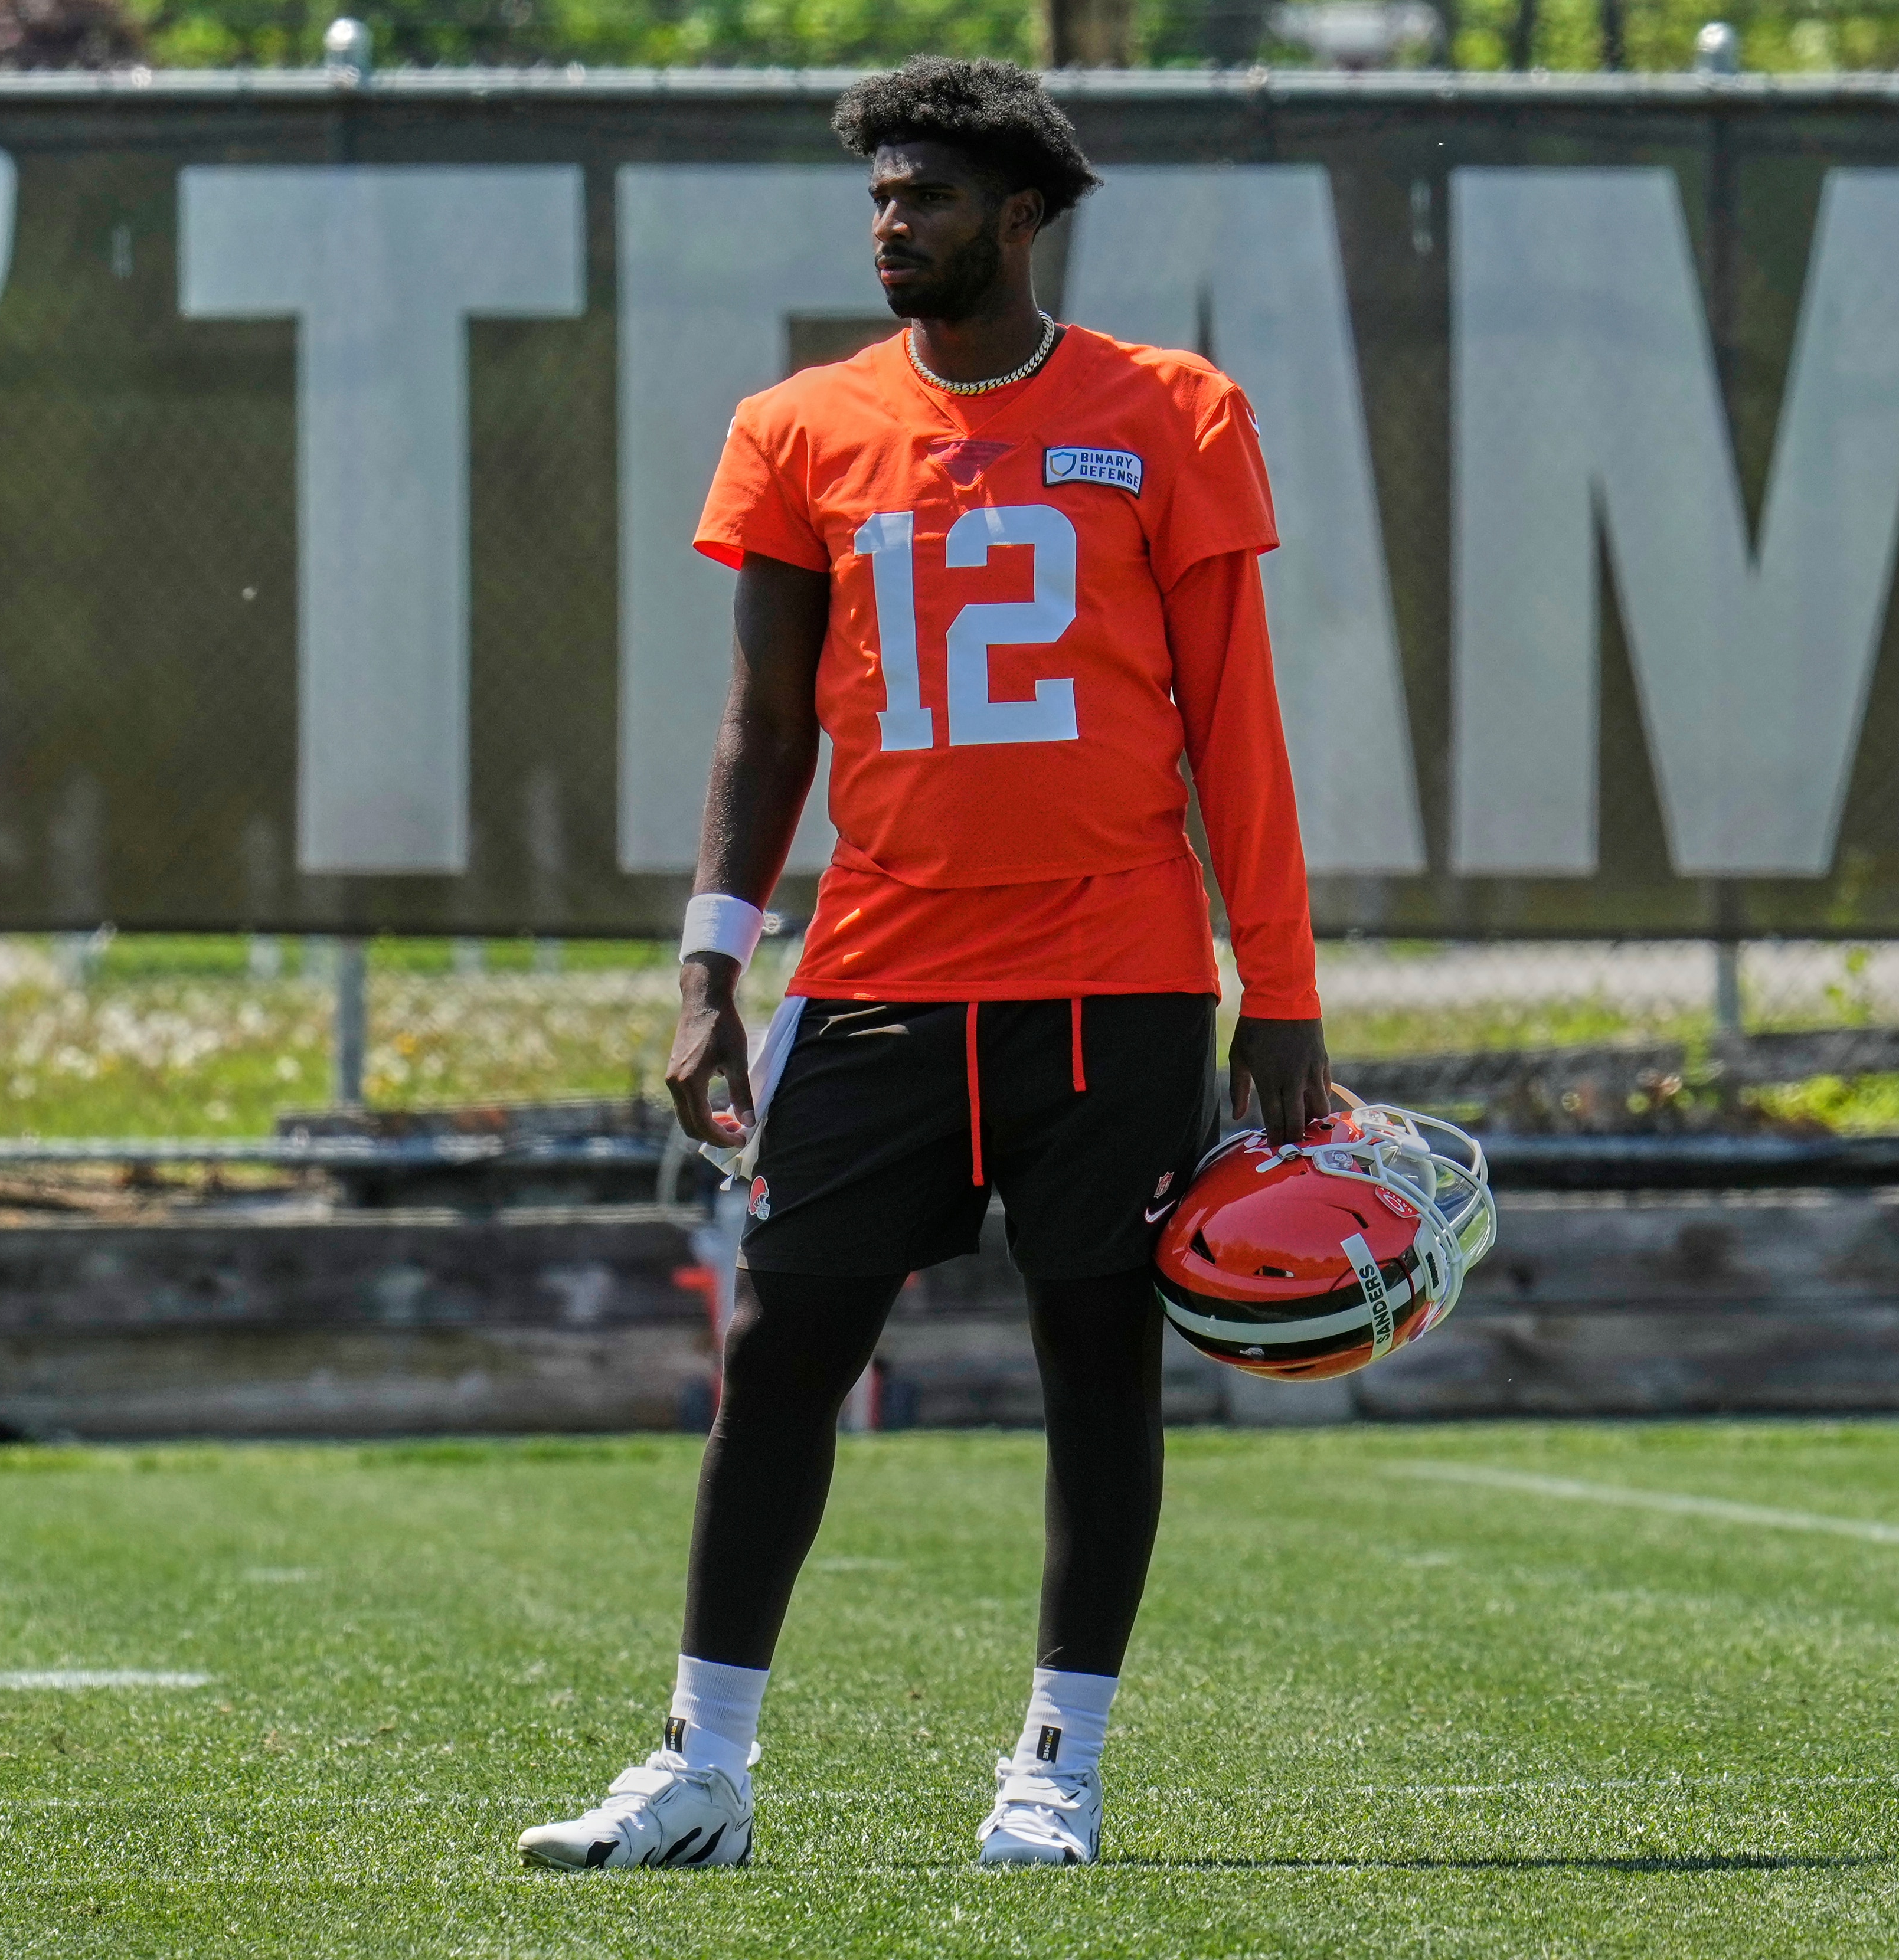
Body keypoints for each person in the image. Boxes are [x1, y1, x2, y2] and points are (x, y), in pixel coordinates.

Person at [517, 55, 1331, 1873]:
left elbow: (1236, 732)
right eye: (879, 196)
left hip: (1114, 979)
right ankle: (705, 1760)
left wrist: (1277, 986)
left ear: (1023, 216)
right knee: (779, 1343)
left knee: (1096, 1353)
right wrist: (706, 970)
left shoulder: (1175, 411)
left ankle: (1060, 1758)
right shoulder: (802, 424)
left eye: (929, 197)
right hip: (878, 972)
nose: (892, 223)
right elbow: (763, 720)